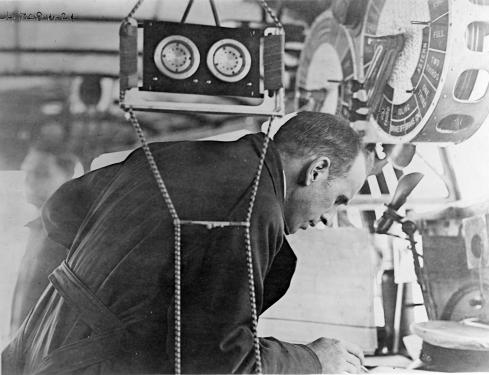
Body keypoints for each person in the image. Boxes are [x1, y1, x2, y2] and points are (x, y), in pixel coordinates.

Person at [2, 112, 371, 374]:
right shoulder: (251, 204)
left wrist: (109, 284)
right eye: (339, 199)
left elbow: (60, 210)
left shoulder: (183, 156)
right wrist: (313, 360)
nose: (329, 218)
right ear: (317, 169)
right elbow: (218, 362)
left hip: (33, 346)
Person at [9, 142, 77, 334]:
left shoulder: (71, 231)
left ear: (68, 177)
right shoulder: (37, 228)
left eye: (40, 173)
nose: (29, 181)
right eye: (27, 173)